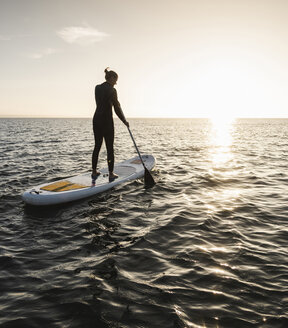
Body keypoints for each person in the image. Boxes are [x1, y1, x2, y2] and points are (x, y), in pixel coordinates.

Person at [92, 68, 129, 185]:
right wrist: (124, 120)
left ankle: (94, 171)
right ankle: (111, 172)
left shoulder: (97, 88)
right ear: (111, 78)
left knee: (97, 145)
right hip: (107, 121)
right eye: (115, 80)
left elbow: (102, 102)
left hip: (96, 119)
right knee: (109, 148)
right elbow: (116, 108)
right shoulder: (113, 90)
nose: (116, 83)